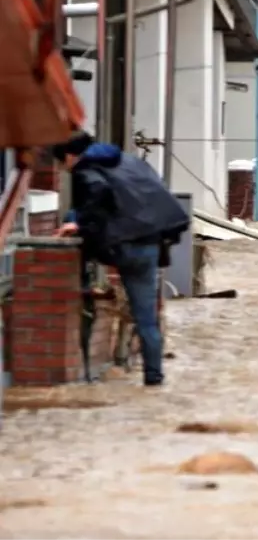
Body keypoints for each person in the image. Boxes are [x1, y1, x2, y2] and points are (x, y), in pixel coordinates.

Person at [51, 131, 189, 387]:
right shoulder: (129, 161)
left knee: (72, 218)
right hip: (149, 245)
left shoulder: (85, 170)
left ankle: (86, 358)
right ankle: (154, 377)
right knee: (146, 319)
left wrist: (79, 223)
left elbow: (98, 191)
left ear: (70, 156)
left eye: (61, 163)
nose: (63, 168)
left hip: (123, 247)